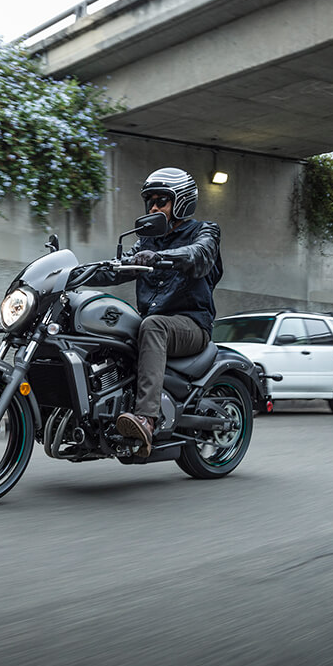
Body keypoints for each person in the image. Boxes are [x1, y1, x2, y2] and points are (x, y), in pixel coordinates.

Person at [96, 167, 223, 457]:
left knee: (153, 325)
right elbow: (119, 268)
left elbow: (199, 256)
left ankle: (146, 419)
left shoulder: (205, 231)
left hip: (191, 325)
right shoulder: (147, 241)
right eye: (150, 201)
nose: (153, 207)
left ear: (180, 202)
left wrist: (162, 257)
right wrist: (72, 274)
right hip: (153, 324)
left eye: (161, 201)